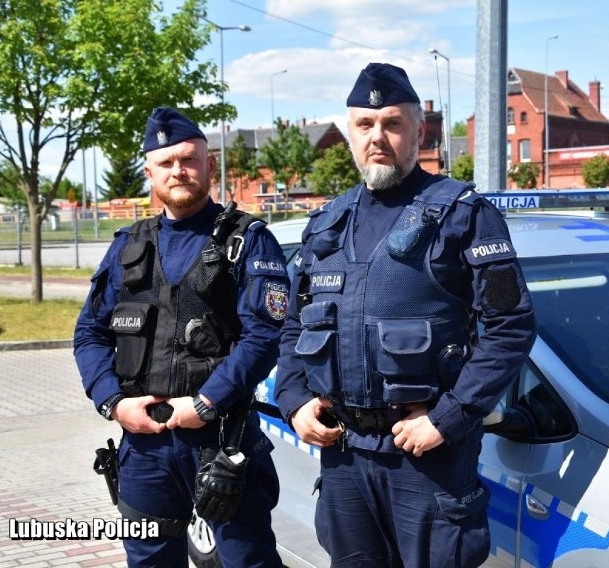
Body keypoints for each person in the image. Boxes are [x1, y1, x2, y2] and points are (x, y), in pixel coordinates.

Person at [273, 63, 537, 568]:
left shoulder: (465, 215)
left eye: (392, 123)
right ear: (350, 133)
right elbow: (292, 324)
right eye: (365, 125)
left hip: (426, 459)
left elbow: (511, 325)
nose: (378, 137)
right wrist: (293, 401)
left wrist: (450, 417)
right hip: (344, 455)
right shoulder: (326, 224)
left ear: (420, 130)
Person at [74, 106, 289, 567]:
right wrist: (113, 403)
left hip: (221, 440)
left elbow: (265, 335)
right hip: (144, 444)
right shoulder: (128, 245)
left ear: (209, 164)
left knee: (245, 559)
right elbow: (89, 334)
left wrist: (208, 401)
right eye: (166, 162)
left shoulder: (246, 239)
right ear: (148, 171)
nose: (179, 170)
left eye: (189, 159)